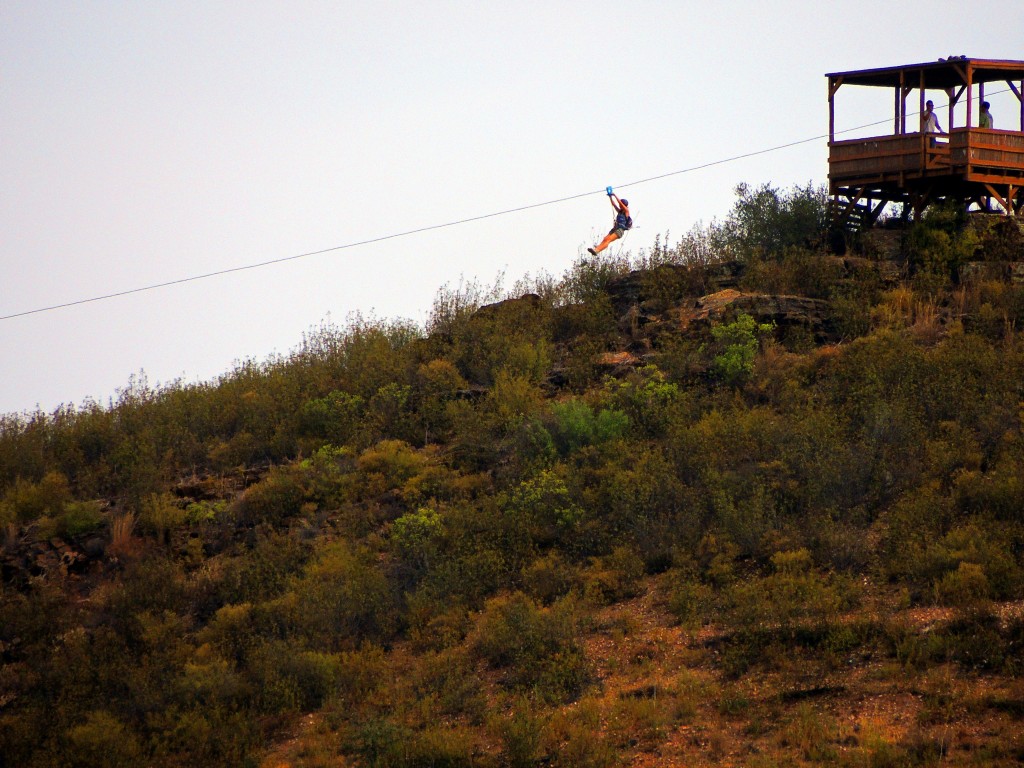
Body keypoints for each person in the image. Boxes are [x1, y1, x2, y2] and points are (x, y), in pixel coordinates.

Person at [588, 190, 631, 255]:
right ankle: (596, 250)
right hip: (615, 228)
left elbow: (620, 203)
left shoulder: (626, 211)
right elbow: (614, 204)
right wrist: (610, 197)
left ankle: (597, 251)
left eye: (621, 204)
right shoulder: (620, 211)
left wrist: (614, 195)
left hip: (620, 230)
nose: (619, 205)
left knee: (608, 240)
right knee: (605, 238)